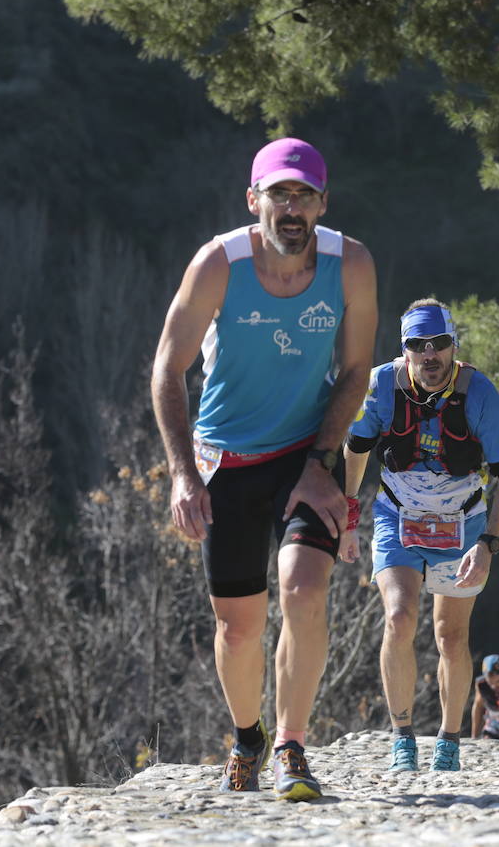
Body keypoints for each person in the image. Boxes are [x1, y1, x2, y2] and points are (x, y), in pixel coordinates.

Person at [151, 137, 377, 801]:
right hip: (226, 461)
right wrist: (182, 474)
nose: (292, 208)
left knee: (305, 591)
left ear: (323, 204)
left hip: (307, 454)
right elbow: (168, 369)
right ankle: (248, 738)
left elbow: (357, 371)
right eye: (280, 194)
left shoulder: (351, 264)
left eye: (305, 196)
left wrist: (321, 462)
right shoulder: (218, 265)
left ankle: (290, 747)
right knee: (238, 626)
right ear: (254, 201)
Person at [342, 300, 499, 773]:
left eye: (439, 344)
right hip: (397, 518)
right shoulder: (381, 385)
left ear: (453, 346)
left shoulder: (479, 392)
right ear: (404, 351)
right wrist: (348, 513)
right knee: (399, 618)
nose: (429, 355)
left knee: (450, 635)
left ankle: (449, 738)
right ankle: (402, 737)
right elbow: (355, 449)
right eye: (417, 346)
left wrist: (488, 543)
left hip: (463, 525)